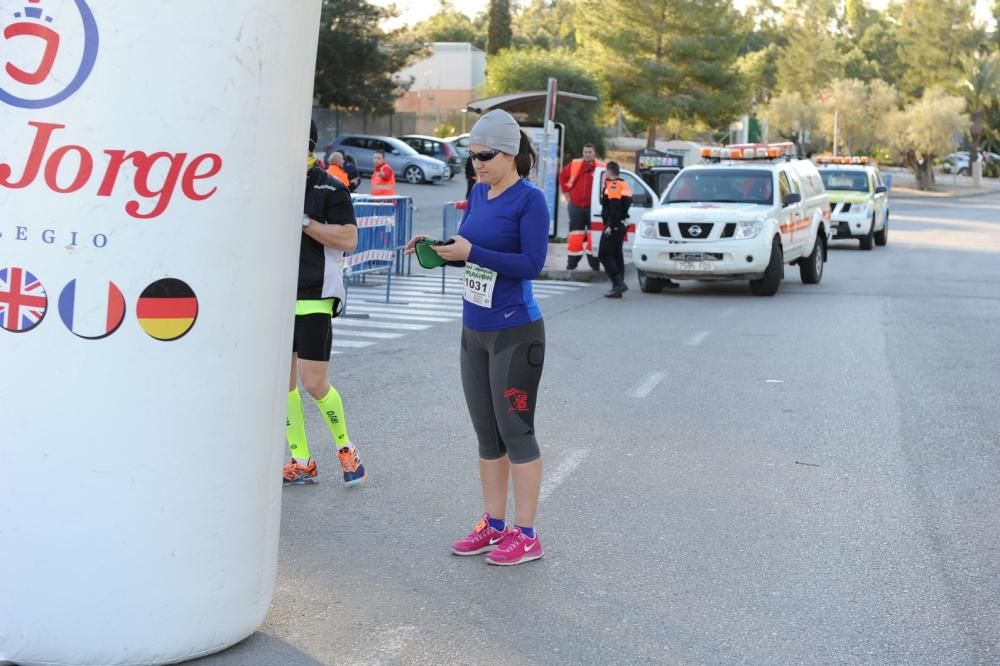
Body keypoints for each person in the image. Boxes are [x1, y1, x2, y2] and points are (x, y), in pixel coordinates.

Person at [405, 109, 548, 566]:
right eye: (472, 156)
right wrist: (440, 250)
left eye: (485, 156)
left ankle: (527, 535)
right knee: (487, 435)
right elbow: (471, 255)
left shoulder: (530, 200)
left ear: (509, 155)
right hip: (475, 331)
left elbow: (531, 264)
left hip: (515, 331)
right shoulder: (480, 194)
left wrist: (473, 251)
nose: (476, 164)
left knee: (516, 432)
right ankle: (494, 524)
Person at [283, 121, 367, 487]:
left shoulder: (329, 186)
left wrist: (304, 222)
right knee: (281, 386)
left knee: (314, 384)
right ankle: (301, 459)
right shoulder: (273, 185)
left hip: (314, 297)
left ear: (311, 148)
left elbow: (349, 238)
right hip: (276, 299)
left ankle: (346, 450)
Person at [558, 143, 604, 270]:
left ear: (594, 154)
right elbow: (562, 176)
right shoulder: (575, 164)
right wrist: (566, 192)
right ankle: (571, 264)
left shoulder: (601, 167)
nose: (587, 154)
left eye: (590, 152)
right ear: (582, 153)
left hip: (593, 208)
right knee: (575, 236)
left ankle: (594, 264)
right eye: (585, 152)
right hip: (576, 206)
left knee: (593, 236)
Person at [598, 161, 632, 298]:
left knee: (604, 254)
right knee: (616, 254)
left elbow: (615, 208)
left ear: (608, 172)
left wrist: (610, 226)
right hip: (621, 224)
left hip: (615, 225)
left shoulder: (613, 185)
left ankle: (618, 283)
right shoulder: (623, 184)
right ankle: (618, 286)